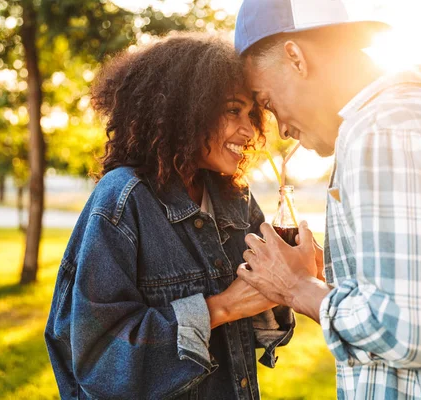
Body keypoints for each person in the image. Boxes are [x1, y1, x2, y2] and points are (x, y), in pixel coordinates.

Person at [233, 0, 421, 398]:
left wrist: (297, 288)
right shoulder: (405, 118)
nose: (282, 128)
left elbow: (410, 331)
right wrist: (342, 276)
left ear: (295, 57)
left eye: (268, 103)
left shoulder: (385, 132)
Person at [44, 33, 294, 400]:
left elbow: (261, 329)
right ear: (186, 110)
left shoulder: (236, 198)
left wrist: (288, 282)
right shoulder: (123, 198)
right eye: (232, 110)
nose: (249, 131)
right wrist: (220, 308)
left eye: (252, 114)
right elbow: (98, 357)